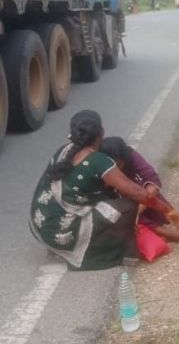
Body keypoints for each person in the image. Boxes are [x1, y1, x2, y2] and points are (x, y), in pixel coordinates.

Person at [30, 110, 171, 270]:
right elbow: (138, 194)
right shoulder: (99, 161)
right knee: (128, 206)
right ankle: (121, 253)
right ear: (101, 133)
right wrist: (168, 211)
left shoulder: (63, 151)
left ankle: (59, 243)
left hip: (40, 226)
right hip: (64, 234)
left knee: (103, 197)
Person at [100, 137, 179, 246]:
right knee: (133, 214)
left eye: (119, 163)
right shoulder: (102, 170)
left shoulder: (130, 155)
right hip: (121, 204)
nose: (118, 167)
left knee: (157, 199)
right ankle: (173, 235)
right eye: (115, 165)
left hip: (141, 197)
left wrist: (141, 206)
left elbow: (153, 180)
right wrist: (135, 211)